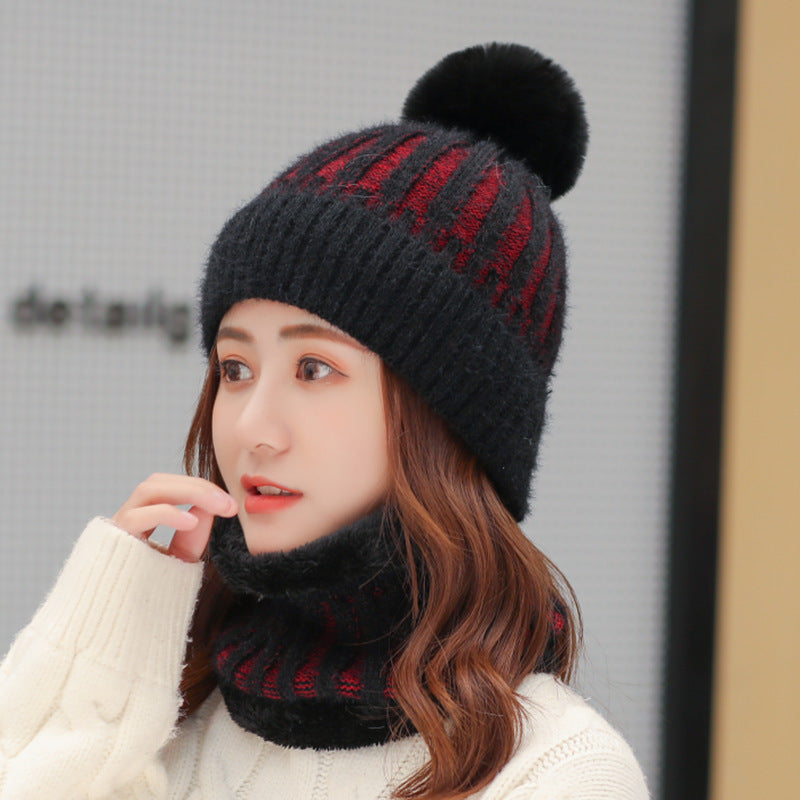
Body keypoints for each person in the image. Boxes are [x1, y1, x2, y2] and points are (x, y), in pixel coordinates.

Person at [0, 43, 650, 799]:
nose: (252, 429)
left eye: (314, 369)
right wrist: (104, 642)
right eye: (235, 369)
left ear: (450, 417)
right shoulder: (169, 712)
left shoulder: (555, 770)